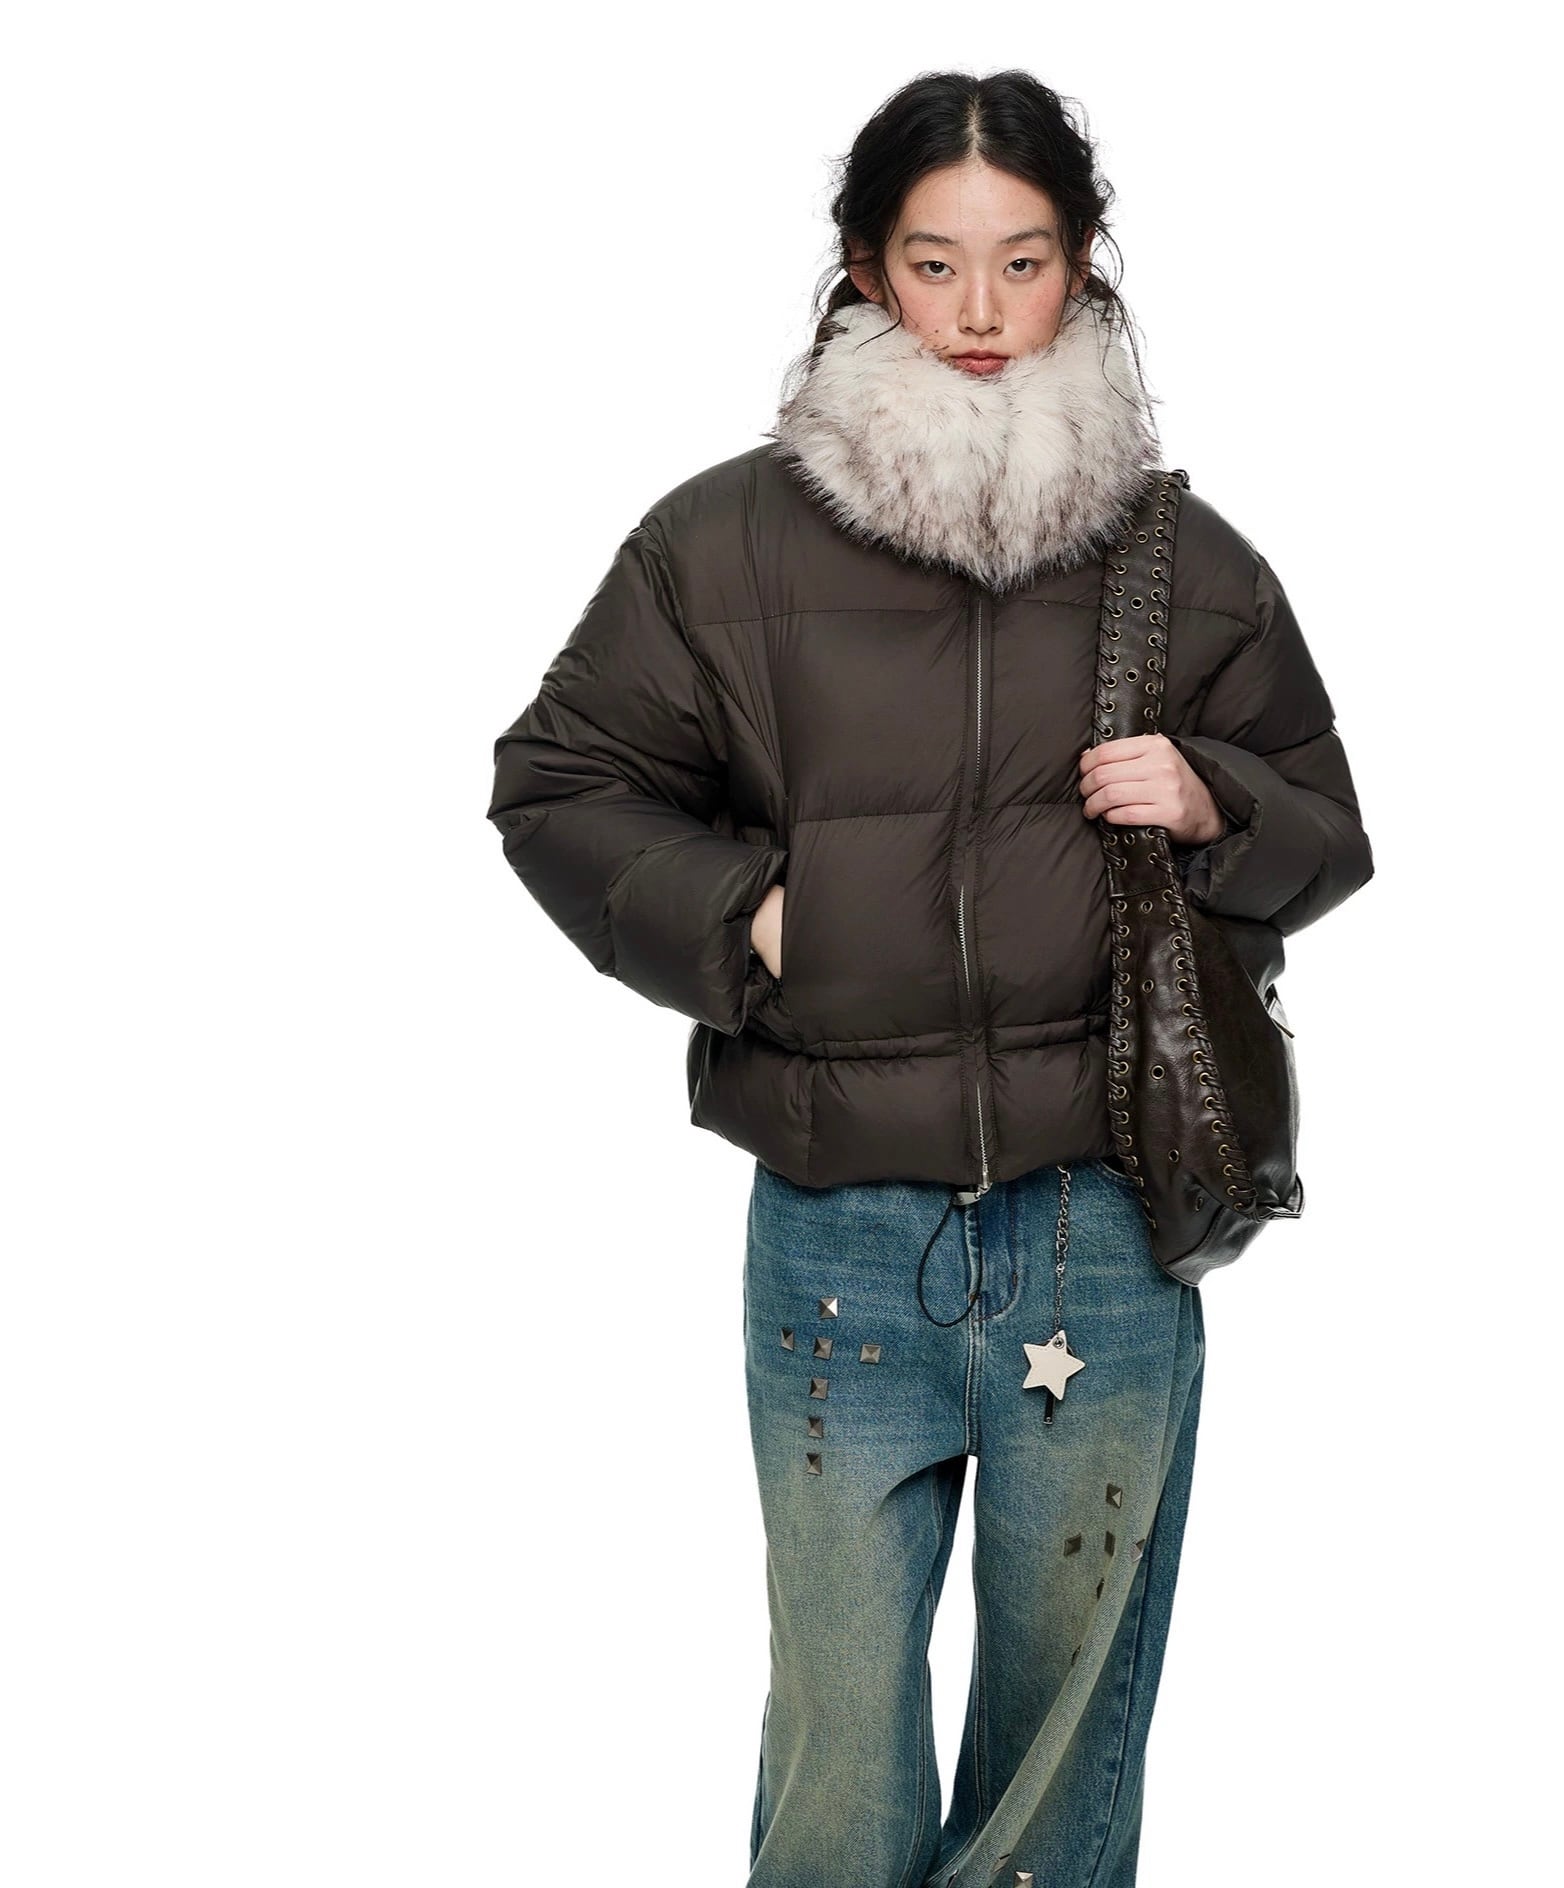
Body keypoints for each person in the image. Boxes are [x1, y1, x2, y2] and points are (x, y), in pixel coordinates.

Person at [486, 68, 1373, 1888]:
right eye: (936, 262)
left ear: (1082, 263)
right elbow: (557, 786)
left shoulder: (1180, 562)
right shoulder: (724, 543)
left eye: (1023, 262)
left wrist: (1217, 799)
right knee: (841, 1754)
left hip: (1102, 1228)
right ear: (865, 268)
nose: (980, 310)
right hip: (837, 1230)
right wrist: (755, 922)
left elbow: (1327, 835)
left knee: (1064, 1747)